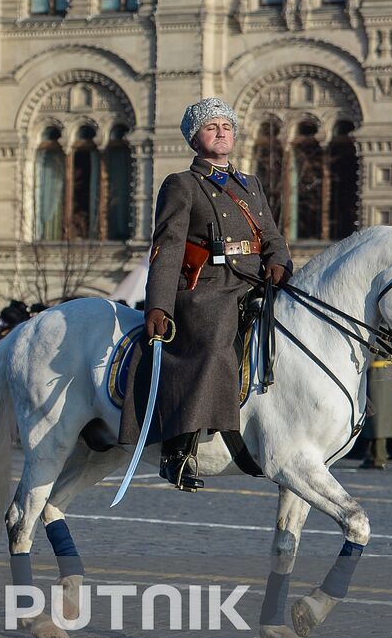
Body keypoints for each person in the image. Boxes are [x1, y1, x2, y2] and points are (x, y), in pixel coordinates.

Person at [123, 97, 292, 491]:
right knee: (215, 340)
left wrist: (279, 262)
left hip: (254, 282)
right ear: (194, 138)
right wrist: (159, 304)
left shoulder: (250, 184)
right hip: (208, 288)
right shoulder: (182, 185)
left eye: (227, 126)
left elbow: (272, 236)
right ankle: (179, 450)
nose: (221, 132)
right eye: (212, 126)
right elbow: (167, 249)